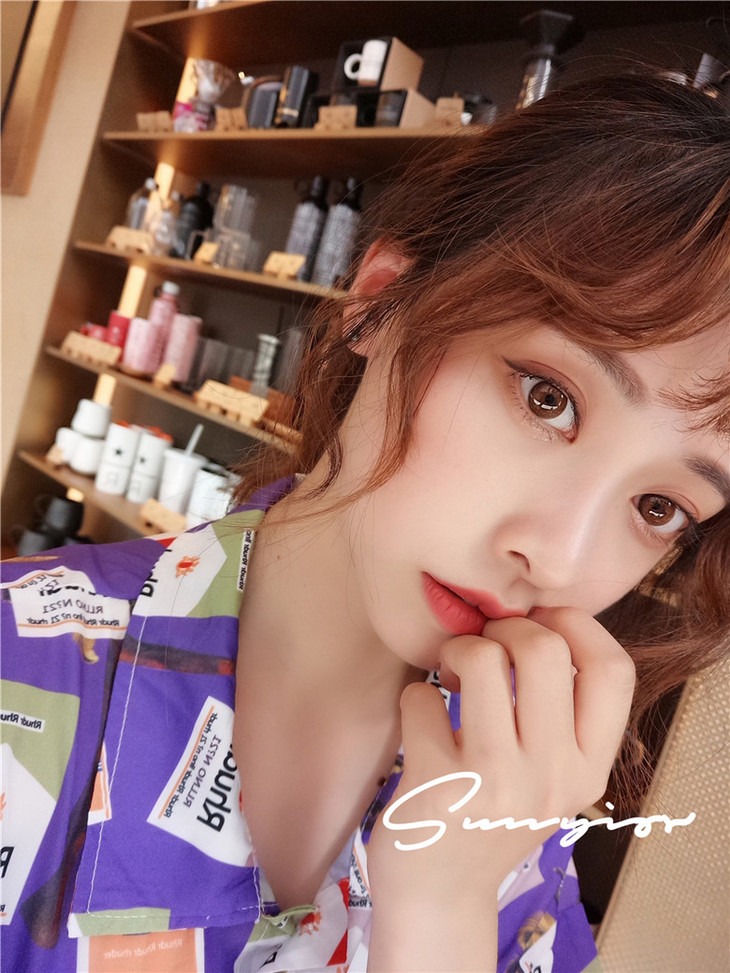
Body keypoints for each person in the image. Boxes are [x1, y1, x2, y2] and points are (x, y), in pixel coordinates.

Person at [2, 72, 728, 973]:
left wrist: (445, 910)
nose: (556, 556)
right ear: (380, 300)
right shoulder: (20, 673)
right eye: (548, 397)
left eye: (659, 507)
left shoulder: (516, 790)